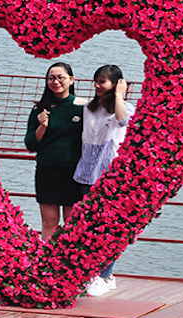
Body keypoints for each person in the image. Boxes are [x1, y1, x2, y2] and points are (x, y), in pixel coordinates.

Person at [73, 65, 133, 297]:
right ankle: (92, 274)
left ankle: (106, 275)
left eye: (103, 82)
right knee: (88, 227)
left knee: (108, 228)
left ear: (116, 84)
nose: (98, 85)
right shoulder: (90, 107)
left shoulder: (124, 107)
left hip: (110, 176)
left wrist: (119, 94)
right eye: (96, 81)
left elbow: (123, 120)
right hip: (86, 174)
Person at [24, 62, 86, 241]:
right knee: (49, 221)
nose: (56, 82)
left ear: (71, 80)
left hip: (74, 173)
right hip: (47, 171)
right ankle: (47, 263)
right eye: (51, 78)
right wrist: (42, 126)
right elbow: (30, 144)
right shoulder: (40, 109)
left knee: (72, 221)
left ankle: (70, 263)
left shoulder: (83, 107)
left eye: (60, 77)